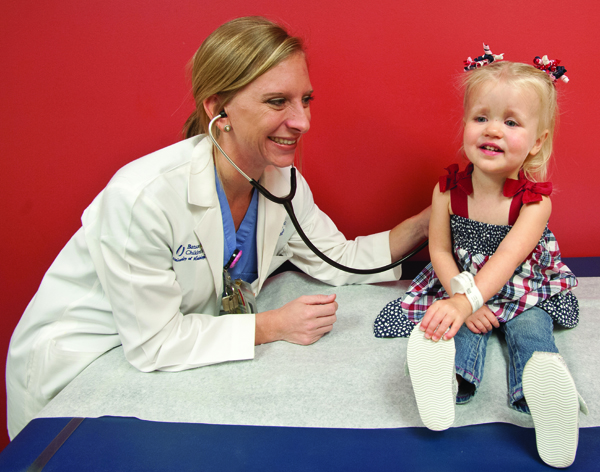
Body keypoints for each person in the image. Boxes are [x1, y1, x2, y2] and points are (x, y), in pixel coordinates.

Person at [6, 16, 429, 439]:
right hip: (84, 369)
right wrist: (273, 326)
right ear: (217, 108)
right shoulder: (144, 197)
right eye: (278, 102)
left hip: (168, 371)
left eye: (306, 99)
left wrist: (432, 222)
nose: (303, 122)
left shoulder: (281, 183)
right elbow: (155, 343)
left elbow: (340, 259)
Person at [373, 56, 587, 468]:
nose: (492, 129)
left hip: (521, 286)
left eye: (511, 122)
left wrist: (468, 300)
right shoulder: (447, 189)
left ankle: (541, 390)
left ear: (537, 141)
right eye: (481, 117)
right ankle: (448, 381)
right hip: (462, 281)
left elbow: (508, 261)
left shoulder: (533, 202)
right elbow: (438, 250)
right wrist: (461, 302)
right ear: (465, 124)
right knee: (459, 329)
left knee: (530, 326)